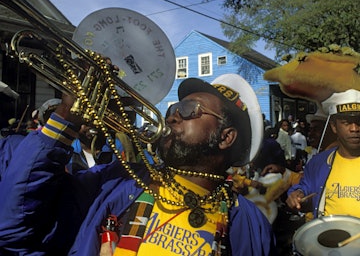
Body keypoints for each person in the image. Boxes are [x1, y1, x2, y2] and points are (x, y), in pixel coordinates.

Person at [0, 74, 276, 255]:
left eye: (190, 110)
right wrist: (65, 119)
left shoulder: (250, 223)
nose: (172, 117)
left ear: (225, 137)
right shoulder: (115, 182)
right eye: (173, 109)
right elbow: (15, 226)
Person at [286, 89, 360, 219]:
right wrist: (297, 194)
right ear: (334, 127)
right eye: (346, 123)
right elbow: (305, 188)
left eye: (359, 122)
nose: (354, 129)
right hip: (328, 237)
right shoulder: (319, 163)